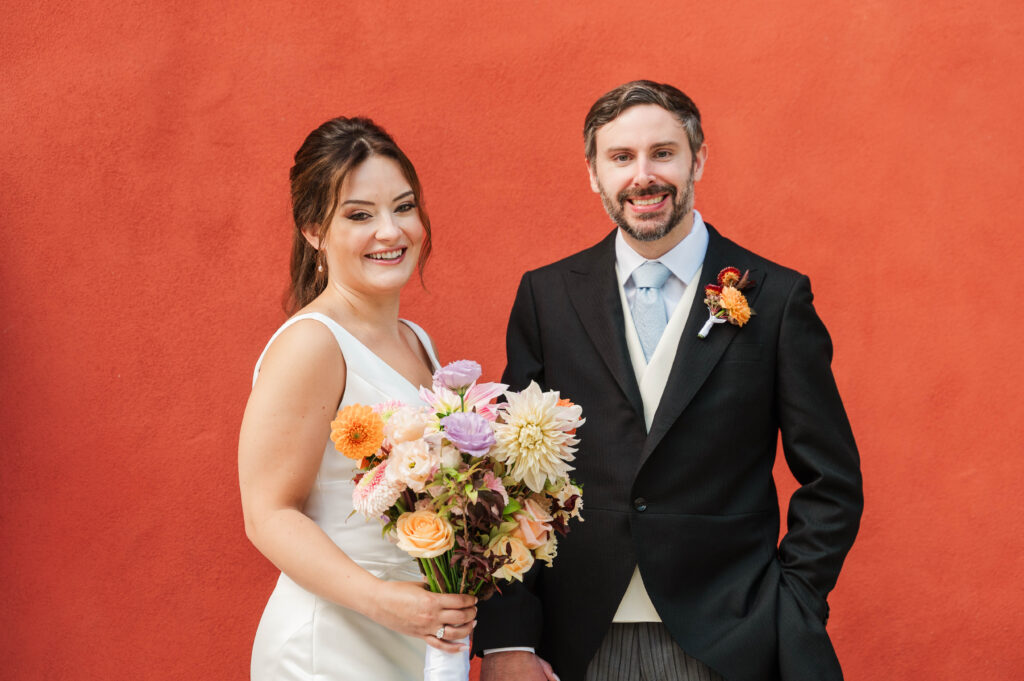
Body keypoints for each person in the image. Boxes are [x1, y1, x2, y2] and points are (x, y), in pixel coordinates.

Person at [474, 81, 864, 681]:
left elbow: (832, 479)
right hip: (577, 636)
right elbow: (511, 482)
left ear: (697, 159)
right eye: (621, 158)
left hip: (732, 636)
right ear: (594, 173)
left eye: (663, 153)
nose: (643, 176)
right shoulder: (546, 297)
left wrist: (792, 604)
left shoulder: (778, 297)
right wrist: (509, 639)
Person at [239, 116, 478, 681]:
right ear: (313, 230)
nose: (391, 232)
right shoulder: (312, 344)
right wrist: (384, 600)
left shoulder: (417, 340)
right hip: (332, 644)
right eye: (360, 215)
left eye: (403, 207)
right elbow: (268, 513)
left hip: (414, 639)